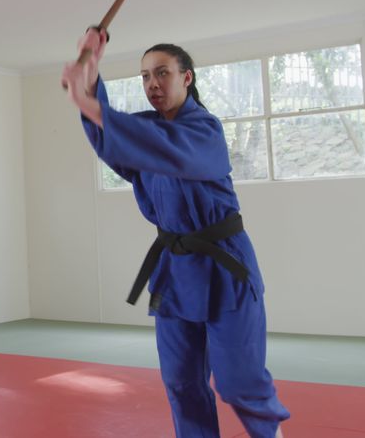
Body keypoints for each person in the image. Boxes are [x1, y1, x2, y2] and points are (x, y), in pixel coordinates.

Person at [60, 29, 289, 438]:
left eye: (162, 73)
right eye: (145, 76)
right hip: (175, 270)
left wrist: (90, 101)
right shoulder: (145, 131)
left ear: (187, 77)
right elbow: (109, 139)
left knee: (239, 384)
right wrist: (90, 74)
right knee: (181, 383)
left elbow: (162, 146)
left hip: (224, 268)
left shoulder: (205, 130)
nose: (152, 84)